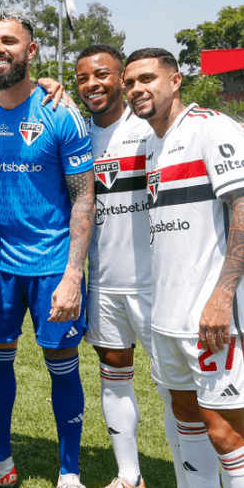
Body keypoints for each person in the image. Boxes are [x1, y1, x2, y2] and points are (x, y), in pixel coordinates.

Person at [0, 8, 95, 488]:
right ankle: (0, 463)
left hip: (54, 264)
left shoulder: (60, 112)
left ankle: (70, 472)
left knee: (62, 367)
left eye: (9, 41)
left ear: (31, 50)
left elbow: (84, 198)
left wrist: (73, 275)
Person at [77, 44, 199, 488]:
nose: (93, 84)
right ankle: (129, 476)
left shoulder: (149, 127)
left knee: (175, 389)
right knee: (114, 373)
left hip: (157, 285)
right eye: (82, 78)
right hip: (104, 282)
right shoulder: (78, 134)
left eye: (104, 75)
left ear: (121, 80)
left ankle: (191, 476)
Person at [126, 47, 244, 487]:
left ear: (175, 81)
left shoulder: (211, 127)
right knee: (186, 418)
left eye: (147, 79)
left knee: (226, 432)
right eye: (130, 82)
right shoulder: (151, 143)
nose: (136, 89)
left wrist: (223, 296)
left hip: (212, 316)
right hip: (168, 317)